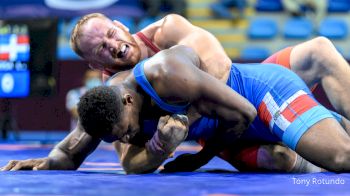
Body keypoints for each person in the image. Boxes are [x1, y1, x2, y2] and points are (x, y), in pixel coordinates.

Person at [69, 13, 350, 172]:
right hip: (224, 128)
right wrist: (162, 146)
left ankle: (319, 128)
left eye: (110, 35)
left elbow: (221, 70)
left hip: (245, 94)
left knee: (320, 51)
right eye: (101, 49)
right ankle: (322, 128)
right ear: (95, 64)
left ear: (120, 25)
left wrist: (183, 127)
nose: (112, 45)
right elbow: (116, 156)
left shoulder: (165, 44)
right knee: (278, 158)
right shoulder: (109, 98)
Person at [3, 46, 350, 174]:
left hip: (261, 96)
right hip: (229, 131)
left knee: (340, 158)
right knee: (285, 161)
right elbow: (73, 149)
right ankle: (324, 127)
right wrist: (48, 162)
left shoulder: (167, 73)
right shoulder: (107, 107)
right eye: (117, 138)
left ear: (128, 101)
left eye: (123, 131)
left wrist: (197, 160)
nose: (126, 138)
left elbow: (243, 112)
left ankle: (322, 130)